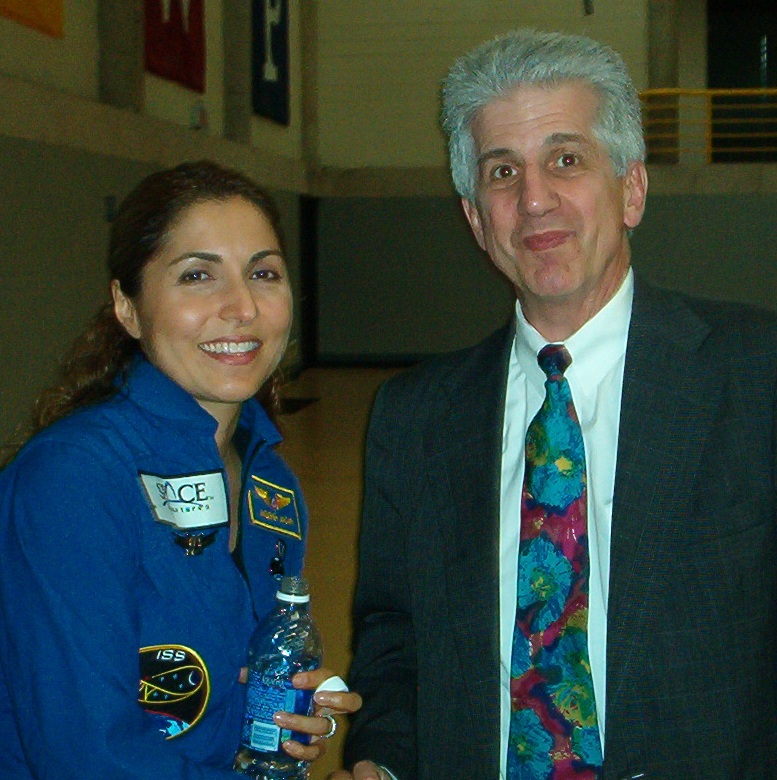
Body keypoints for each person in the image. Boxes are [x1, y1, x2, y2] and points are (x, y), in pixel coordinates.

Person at [336, 29, 777, 780]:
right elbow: (392, 637)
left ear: (631, 189)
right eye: (501, 172)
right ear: (476, 220)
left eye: (565, 160)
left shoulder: (756, 374)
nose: (533, 199)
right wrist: (383, 759)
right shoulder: (412, 416)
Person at [0, 160, 360, 778]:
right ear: (128, 306)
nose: (241, 307)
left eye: (263, 274)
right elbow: (86, 757)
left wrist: (293, 705)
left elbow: (230, 676)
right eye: (197, 276)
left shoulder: (274, 489)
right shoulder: (74, 478)